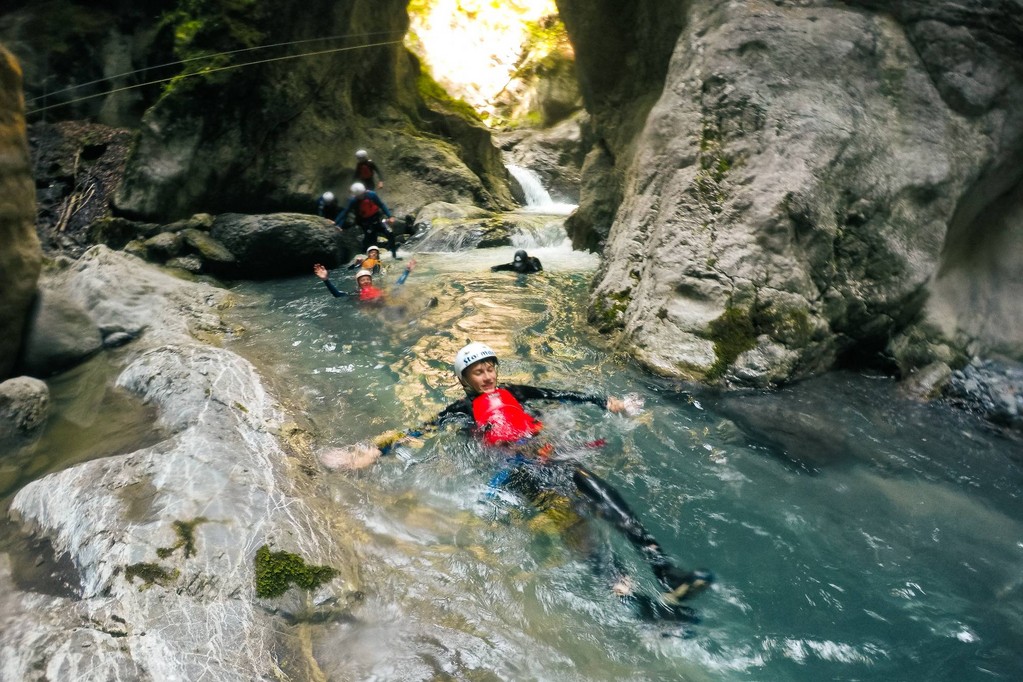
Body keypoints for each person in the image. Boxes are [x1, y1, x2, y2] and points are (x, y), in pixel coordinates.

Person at [328, 342, 713, 621]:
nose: (487, 376)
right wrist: (371, 455)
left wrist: (605, 401)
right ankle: (633, 602)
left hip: (550, 457)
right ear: (464, 379)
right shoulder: (461, 409)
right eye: (477, 372)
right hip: (518, 474)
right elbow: (418, 432)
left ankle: (664, 571)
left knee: (607, 498)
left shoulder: (515, 391)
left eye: (490, 368)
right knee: (577, 527)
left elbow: (562, 394)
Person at [334, 182, 401, 260]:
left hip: (377, 220)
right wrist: (336, 223)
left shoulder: (371, 195)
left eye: (362, 194)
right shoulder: (354, 201)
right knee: (372, 242)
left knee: (390, 233)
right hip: (367, 224)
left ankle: (394, 255)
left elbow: (381, 205)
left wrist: (390, 216)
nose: (361, 196)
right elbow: (345, 212)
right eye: (360, 195)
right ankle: (373, 260)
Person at [313, 259, 415, 303]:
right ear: (358, 283)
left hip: (383, 305)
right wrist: (326, 280)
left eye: (367, 279)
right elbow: (338, 294)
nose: (366, 281)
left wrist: (406, 271)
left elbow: (397, 284)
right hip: (369, 311)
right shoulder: (356, 294)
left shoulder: (379, 289)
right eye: (363, 280)